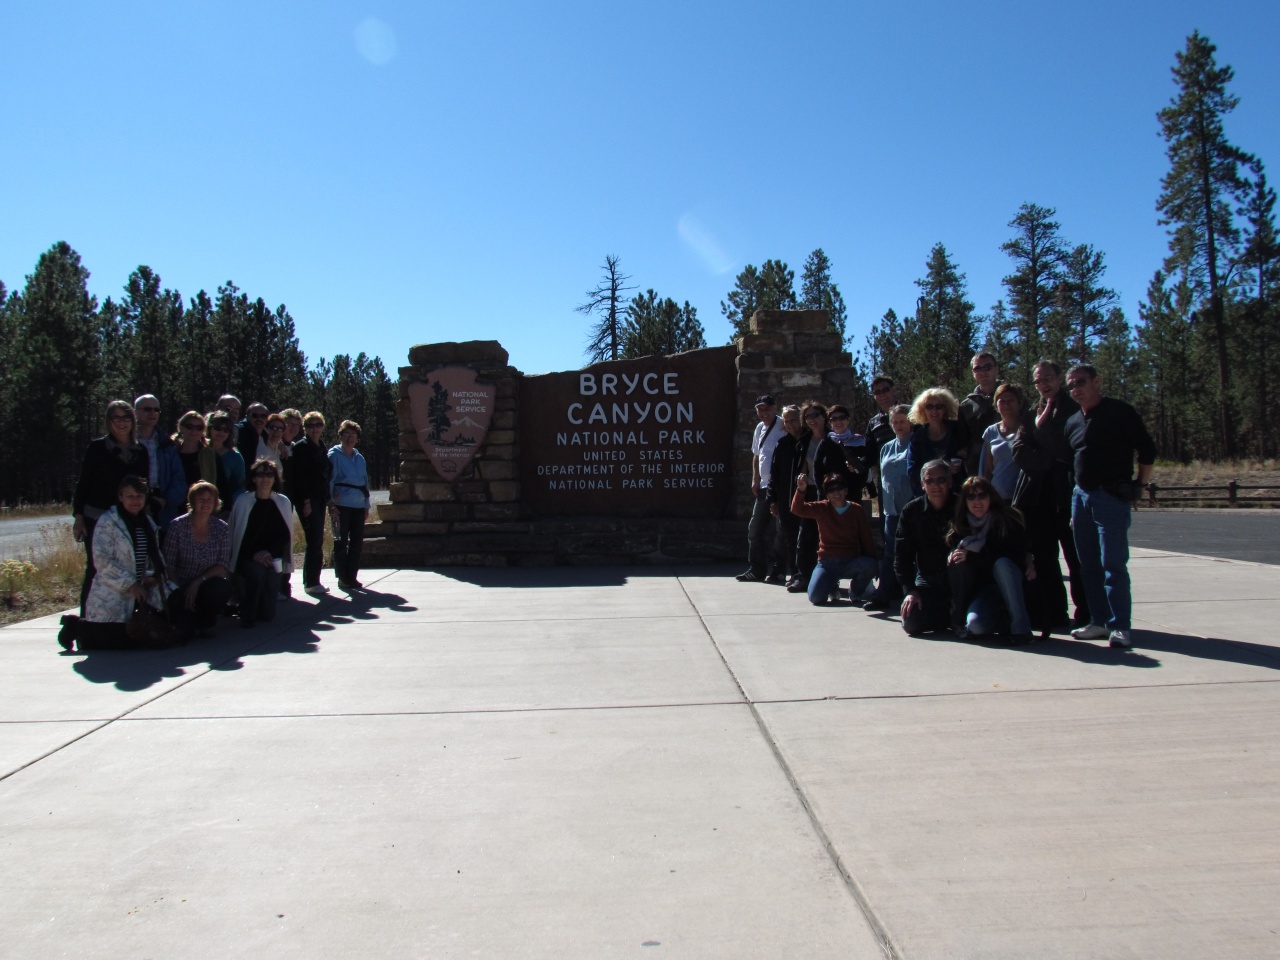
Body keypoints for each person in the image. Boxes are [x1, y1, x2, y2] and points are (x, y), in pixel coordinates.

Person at [1063, 364, 1157, 650]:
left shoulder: (1120, 412)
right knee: (1087, 565)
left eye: (1081, 382)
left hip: (1111, 497)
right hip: (1081, 498)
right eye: (1071, 385)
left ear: (1096, 381)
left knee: (1113, 565)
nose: (1076, 388)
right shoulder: (1072, 422)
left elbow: (1147, 449)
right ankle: (1099, 621)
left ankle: (1120, 626)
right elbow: (1072, 464)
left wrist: (1139, 484)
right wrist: (1072, 506)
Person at [60, 476, 170, 651]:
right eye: (130, 496)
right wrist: (130, 584)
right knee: (116, 642)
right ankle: (77, 626)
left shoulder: (148, 523)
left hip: (143, 587)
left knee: (159, 629)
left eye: (139, 496)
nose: (135, 501)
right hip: (113, 588)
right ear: (120, 497)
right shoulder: (108, 522)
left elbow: (154, 557)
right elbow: (102, 561)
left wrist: (151, 576)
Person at [1020, 360, 1089, 629]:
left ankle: (1085, 613)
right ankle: (1055, 613)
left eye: (1048, 378)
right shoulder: (1031, 412)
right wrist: (1051, 458)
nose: (1043, 385)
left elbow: (1070, 451)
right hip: (1038, 498)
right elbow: (1020, 453)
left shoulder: (1076, 411)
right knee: (1046, 561)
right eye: (1038, 381)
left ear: (1060, 378)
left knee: (1076, 560)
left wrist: (1041, 440)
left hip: (1069, 496)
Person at [71, 400, 150, 616]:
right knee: (97, 568)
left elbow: (144, 486)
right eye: (116, 418)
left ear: (133, 421)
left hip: (129, 517)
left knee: (128, 569)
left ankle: (125, 618)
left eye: (126, 418)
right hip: (97, 516)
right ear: (109, 421)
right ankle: (87, 619)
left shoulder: (140, 450)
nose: (122, 423)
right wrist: (78, 517)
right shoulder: (97, 448)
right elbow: (83, 483)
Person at [946, 476, 1036, 644]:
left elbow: (1015, 556)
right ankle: (1002, 621)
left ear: (991, 497)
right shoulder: (960, 527)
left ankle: (1021, 630)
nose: (977, 502)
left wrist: (973, 557)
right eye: (971, 497)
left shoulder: (1007, 520)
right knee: (976, 626)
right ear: (964, 501)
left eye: (982, 495)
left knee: (1002, 563)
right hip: (984, 592)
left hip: (1012, 587)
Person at [790, 401, 858, 593]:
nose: (812, 420)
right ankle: (803, 575)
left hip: (833, 494)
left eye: (815, 415)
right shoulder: (804, 441)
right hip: (811, 491)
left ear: (823, 418)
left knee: (828, 536)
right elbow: (802, 465)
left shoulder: (834, 439)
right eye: (808, 417)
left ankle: (831, 578)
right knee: (806, 535)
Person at [790, 472, 878, 606]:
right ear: (827, 494)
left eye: (839, 489)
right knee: (816, 597)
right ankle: (832, 586)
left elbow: (867, 538)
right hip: (827, 562)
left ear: (846, 490)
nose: (836, 493)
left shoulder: (856, 509)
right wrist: (801, 490)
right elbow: (797, 509)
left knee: (869, 565)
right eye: (831, 490)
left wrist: (874, 562)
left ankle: (855, 591)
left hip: (851, 560)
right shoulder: (822, 508)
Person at [894, 459, 958, 636]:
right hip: (928, 580)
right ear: (922, 484)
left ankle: (957, 611)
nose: (935, 485)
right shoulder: (911, 512)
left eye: (941, 480)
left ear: (950, 481)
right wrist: (910, 591)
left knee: (978, 624)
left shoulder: (962, 507)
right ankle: (948, 616)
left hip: (960, 581)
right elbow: (902, 557)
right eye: (929, 481)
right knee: (912, 623)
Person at [229, 459, 295, 628]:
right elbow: (237, 535)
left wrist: (268, 553)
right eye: (260, 475)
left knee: (267, 615)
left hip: (272, 557)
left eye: (269, 475)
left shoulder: (283, 502)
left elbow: (284, 536)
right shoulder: (243, 501)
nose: (265, 479)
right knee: (256, 572)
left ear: (275, 479)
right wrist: (254, 555)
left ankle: (262, 606)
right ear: (253, 478)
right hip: (247, 557)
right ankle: (247, 612)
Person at [163, 481, 232, 637]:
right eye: (201, 499)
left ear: (216, 503)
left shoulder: (221, 528)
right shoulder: (177, 526)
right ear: (192, 501)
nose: (205, 503)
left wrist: (198, 582)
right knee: (184, 631)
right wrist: (181, 591)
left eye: (210, 499)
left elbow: (222, 564)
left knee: (221, 587)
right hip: (178, 584)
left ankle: (206, 622)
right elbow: (168, 564)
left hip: (205, 583)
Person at [865, 404, 914, 611]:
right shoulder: (886, 448)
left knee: (913, 553)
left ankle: (912, 593)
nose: (898, 425)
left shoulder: (917, 444)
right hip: (891, 510)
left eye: (902, 421)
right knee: (889, 553)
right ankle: (884, 594)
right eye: (895, 422)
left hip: (911, 509)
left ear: (911, 421)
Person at [736, 395, 784, 583]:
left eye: (767, 408)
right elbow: (756, 455)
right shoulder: (759, 428)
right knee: (755, 529)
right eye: (760, 409)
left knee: (781, 532)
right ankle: (757, 569)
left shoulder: (783, 425)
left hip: (780, 487)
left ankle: (780, 569)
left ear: (775, 407)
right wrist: (755, 478)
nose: (764, 412)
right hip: (764, 487)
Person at [286, 411, 332, 596]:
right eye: (310, 425)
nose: (314, 429)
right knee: (314, 539)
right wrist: (305, 501)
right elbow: (300, 478)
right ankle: (311, 582)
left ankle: (314, 580)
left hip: (320, 498)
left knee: (317, 539)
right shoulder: (301, 448)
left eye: (318, 425)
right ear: (305, 428)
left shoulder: (321, 447)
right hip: (308, 499)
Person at [329, 420, 371, 592]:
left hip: (358, 505)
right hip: (341, 505)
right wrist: (330, 503)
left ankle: (352, 576)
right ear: (340, 435)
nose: (350, 438)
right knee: (340, 542)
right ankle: (342, 577)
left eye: (353, 435)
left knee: (356, 543)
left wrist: (366, 505)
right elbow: (329, 480)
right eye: (346, 434)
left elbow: (365, 482)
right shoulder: (333, 455)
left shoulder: (359, 458)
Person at [767, 405, 807, 586]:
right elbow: (773, 474)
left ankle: (806, 572)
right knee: (789, 538)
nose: (790, 424)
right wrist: (772, 499)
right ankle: (795, 573)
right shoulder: (782, 444)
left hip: (807, 498)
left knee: (806, 537)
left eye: (793, 419)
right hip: (785, 500)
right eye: (786, 421)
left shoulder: (808, 441)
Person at [134, 393, 186, 526]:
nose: (153, 413)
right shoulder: (127, 442)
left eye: (156, 409)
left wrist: (165, 501)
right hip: (133, 502)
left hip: (163, 508)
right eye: (147, 409)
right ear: (135, 412)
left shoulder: (167, 444)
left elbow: (178, 478)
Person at [905, 387, 966, 498]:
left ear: (945, 409)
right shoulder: (917, 438)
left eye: (939, 406)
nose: (934, 411)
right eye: (929, 407)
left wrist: (966, 454)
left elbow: (972, 456)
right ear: (922, 410)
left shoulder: (958, 430)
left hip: (957, 495)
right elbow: (912, 472)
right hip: (929, 498)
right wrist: (943, 468)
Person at [979, 383, 1030, 500]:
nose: (1006, 405)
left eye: (1010, 400)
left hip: (1021, 495)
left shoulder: (1028, 429)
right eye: (1001, 401)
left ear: (1019, 403)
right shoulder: (990, 432)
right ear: (996, 405)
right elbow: (988, 469)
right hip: (997, 496)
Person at [959, 352, 1002, 476]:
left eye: (987, 367)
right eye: (978, 368)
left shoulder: (1012, 397)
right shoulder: (967, 406)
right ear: (973, 373)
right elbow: (963, 440)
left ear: (996, 369)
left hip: (1007, 460)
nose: (983, 372)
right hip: (977, 466)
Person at [172, 410, 220, 513]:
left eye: (199, 428)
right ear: (181, 427)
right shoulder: (171, 453)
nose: (194, 431)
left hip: (203, 508)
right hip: (174, 506)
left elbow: (221, 483)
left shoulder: (210, 454)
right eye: (190, 426)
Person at [826, 405, 872, 500]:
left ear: (848, 419)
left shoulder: (860, 441)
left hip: (853, 495)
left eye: (842, 418)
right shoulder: (826, 443)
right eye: (834, 419)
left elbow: (865, 468)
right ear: (830, 422)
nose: (838, 422)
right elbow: (817, 469)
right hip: (830, 495)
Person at [206, 410, 245, 520]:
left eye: (226, 430)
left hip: (223, 510)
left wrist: (230, 504)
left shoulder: (235, 457)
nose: (221, 433)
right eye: (218, 428)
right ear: (209, 428)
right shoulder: (201, 451)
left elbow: (240, 485)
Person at [237, 403, 271, 483]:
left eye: (263, 416)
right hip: (243, 483)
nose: (259, 419)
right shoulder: (240, 432)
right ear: (247, 417)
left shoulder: (265, 435)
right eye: (255, 415)